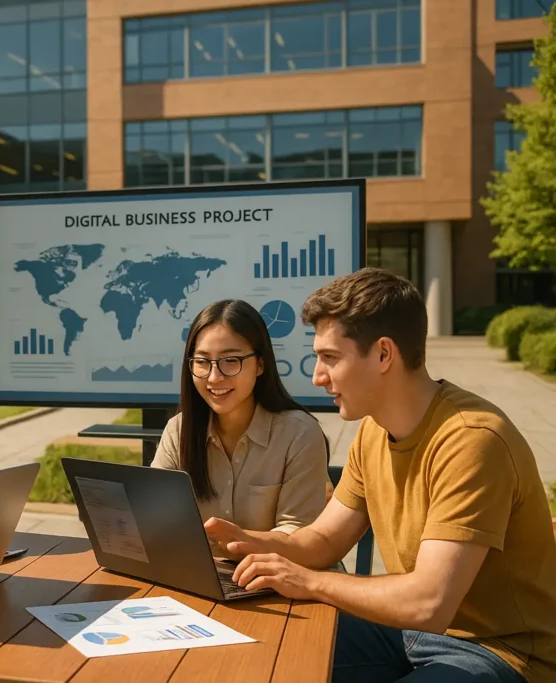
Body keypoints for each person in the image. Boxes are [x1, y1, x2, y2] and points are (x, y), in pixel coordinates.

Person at [205, 268, 556, 683]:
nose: (318, 376)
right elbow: (324, 540)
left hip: (500, 652)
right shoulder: (373, 430)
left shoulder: (472, 440)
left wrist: (309, 582)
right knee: (256, 647)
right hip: (408, 634)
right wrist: (246, 541)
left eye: (330, 358)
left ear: (384, 354)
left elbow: (429, 603)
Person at [153, 299, 330, 545]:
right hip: (193, 567)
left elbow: (299, 533)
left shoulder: (299, 434)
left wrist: (237, 541)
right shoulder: (178, 430)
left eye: (230, 360)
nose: (214, 377)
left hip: (272, 568)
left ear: (260, 364)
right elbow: (156, 514)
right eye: (202, 362)